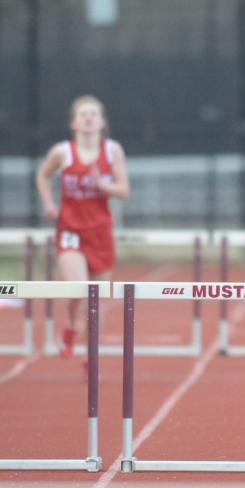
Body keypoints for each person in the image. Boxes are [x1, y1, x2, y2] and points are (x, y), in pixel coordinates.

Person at [36, 95, 130, 359]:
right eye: (83, 114)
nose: (88, 118)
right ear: (73, 123)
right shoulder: (61, 152)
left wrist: (102, 185)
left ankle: (91, 356)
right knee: (78, 287)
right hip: (70, 229)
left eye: (93, 114)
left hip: (100, 231)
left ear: (102, 122)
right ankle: (71, 326)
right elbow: (43, 175)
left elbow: (124, 191)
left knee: (97, 299)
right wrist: (48, 203)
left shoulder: (113, 151)